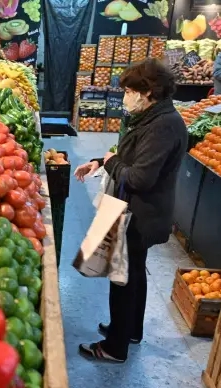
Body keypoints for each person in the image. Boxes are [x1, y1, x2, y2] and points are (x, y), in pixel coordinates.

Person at [73, 59, 187, 363]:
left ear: (147, 92)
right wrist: (101, 160)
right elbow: (131, 156)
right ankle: (130, 330)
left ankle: (114, 347)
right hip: (140, 211)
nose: (125, 97)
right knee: (135, 271)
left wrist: (111, 162)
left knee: (122, 277)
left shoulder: (163, 125)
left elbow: (140, 177)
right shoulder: (153, 117)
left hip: (140, 215)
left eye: (128, 91)